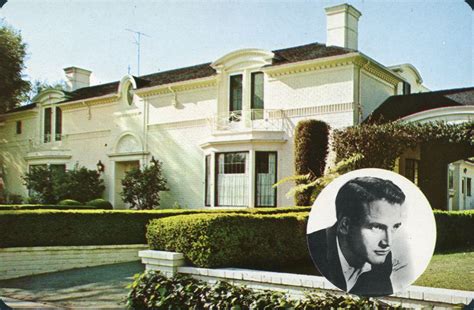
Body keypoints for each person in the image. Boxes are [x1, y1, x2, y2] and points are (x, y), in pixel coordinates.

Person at [307, 176, 406, 297]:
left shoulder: (379, 259)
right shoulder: (313, 253)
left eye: (395, 227)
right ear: (345, 225)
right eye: (376, 227)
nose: (388, 242)